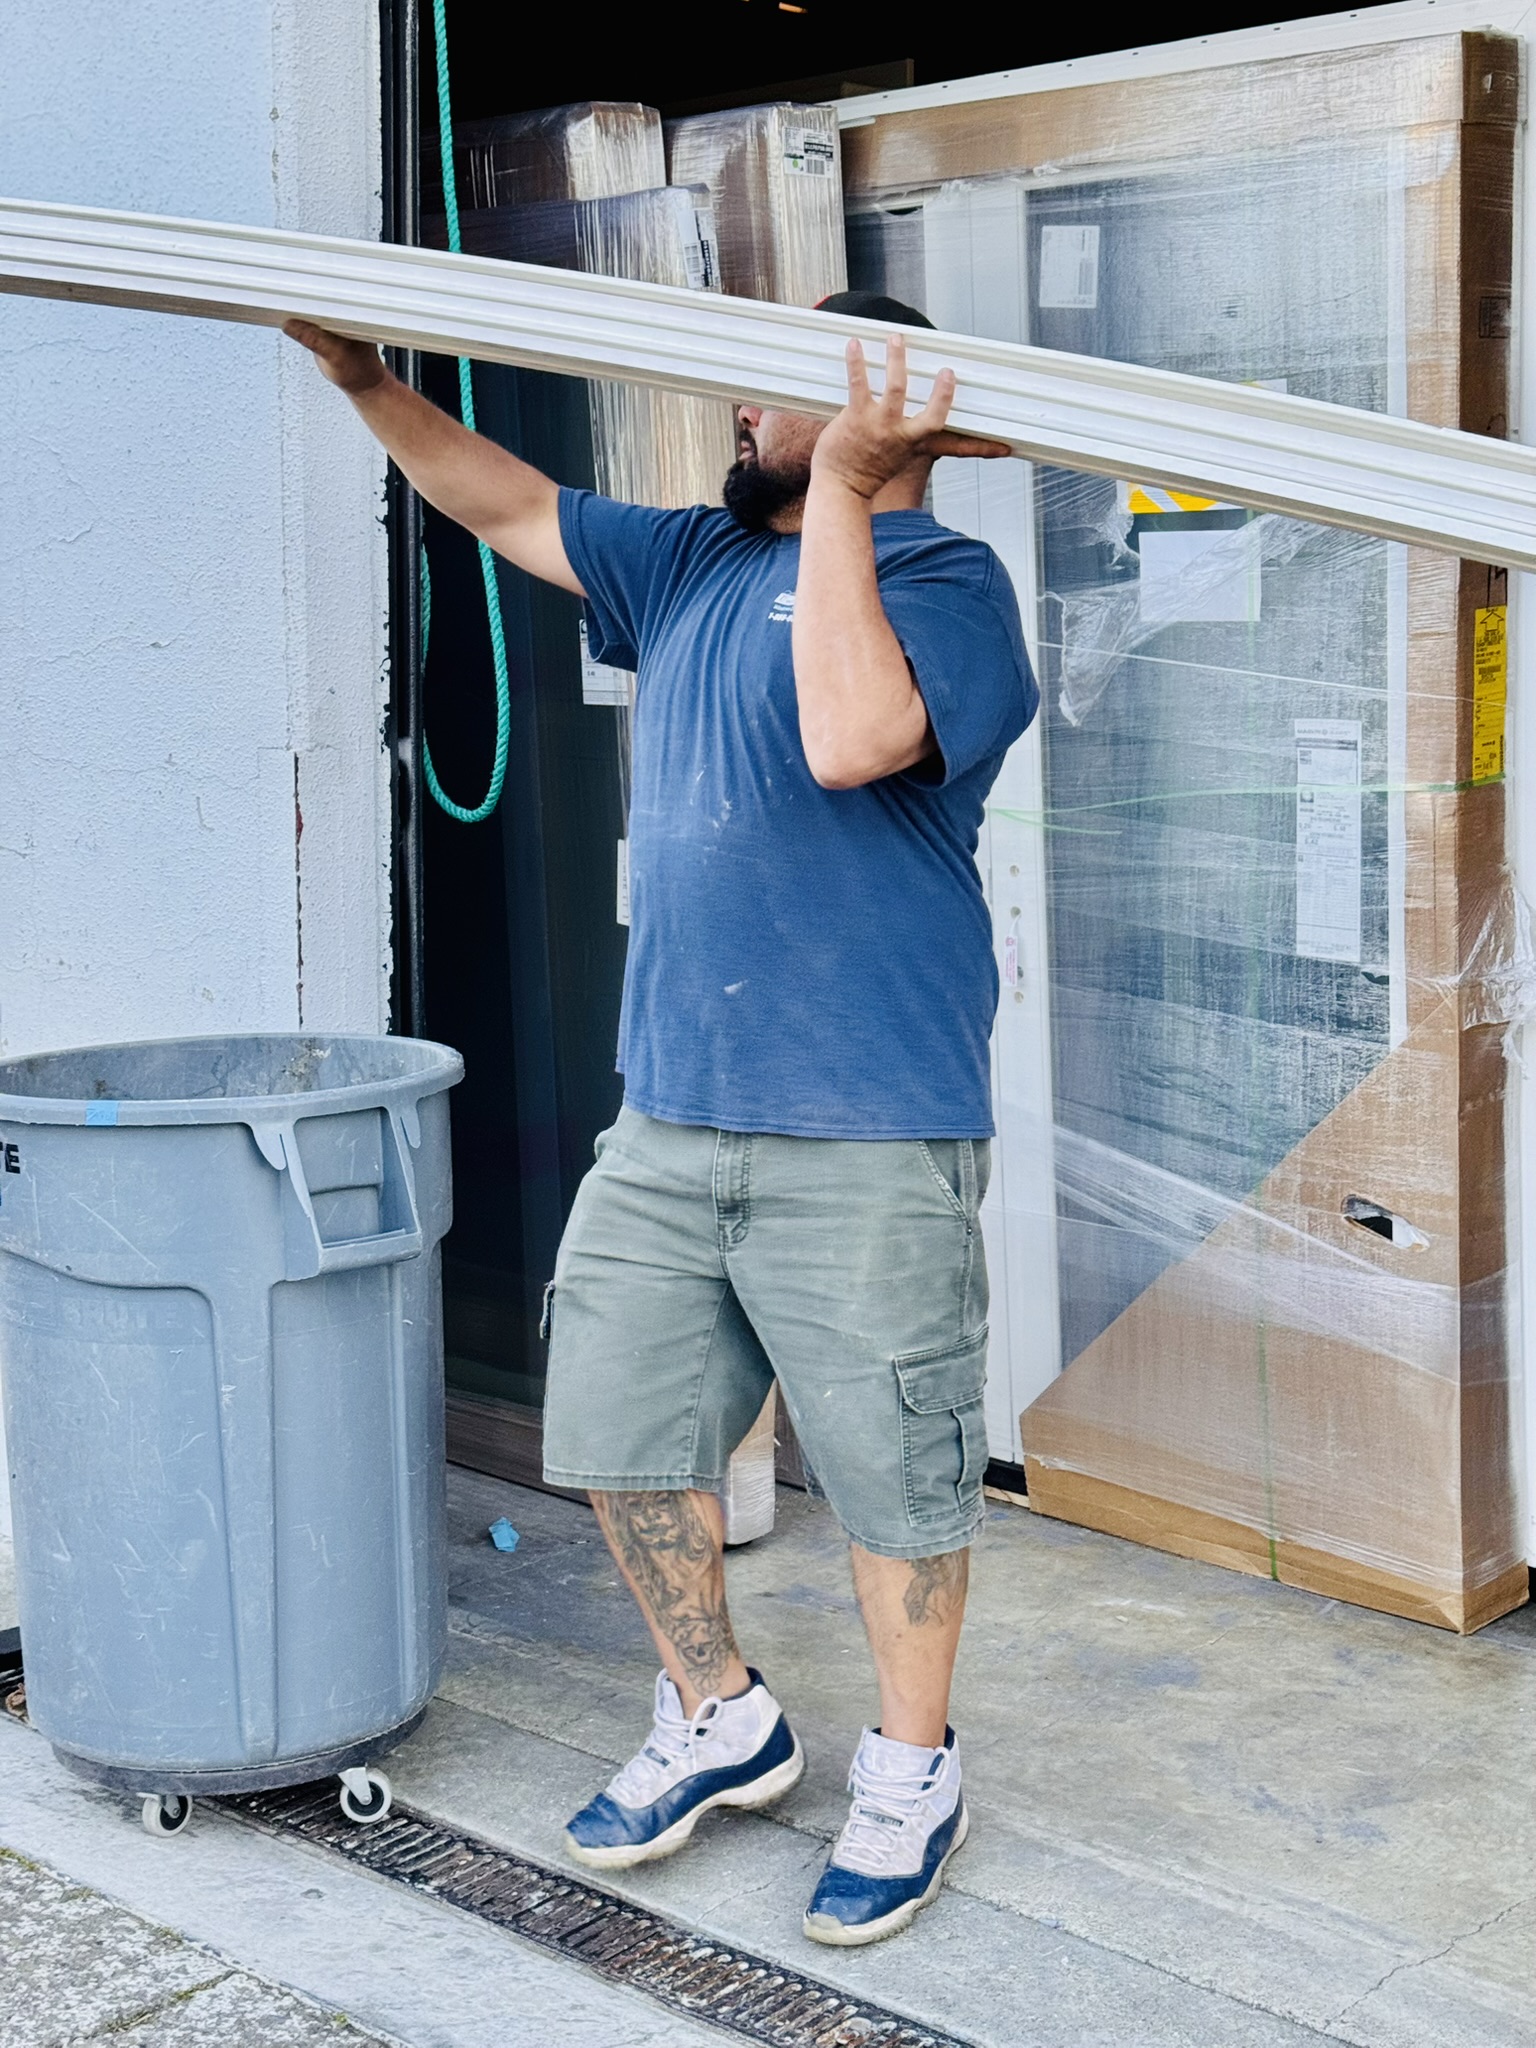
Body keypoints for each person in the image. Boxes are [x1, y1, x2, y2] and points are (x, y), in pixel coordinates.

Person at [287, 288, 1037, 1946]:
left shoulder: (951, 587)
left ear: (873, 415)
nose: (736, 425)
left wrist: (845, 487)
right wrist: (363, 380)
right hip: (672, 1113)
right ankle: (721, 1714)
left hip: (868, 1121)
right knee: (622, 1434)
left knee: (898, 1476)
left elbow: (851, 741)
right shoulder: (689, 564)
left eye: (772, 402)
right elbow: (499, 498)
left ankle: (913, 1766)